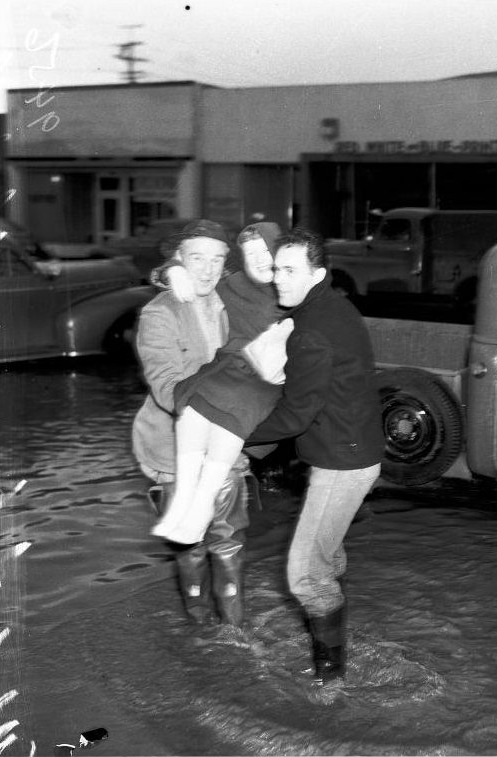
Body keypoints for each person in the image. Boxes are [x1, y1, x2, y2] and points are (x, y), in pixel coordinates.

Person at [247, 227, 384, 686]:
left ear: (317, 274)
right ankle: (338, 648)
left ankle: (331, 681)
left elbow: (295, 415)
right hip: (353, 449)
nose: (278, 279)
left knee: (305, 574)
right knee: (327, 559)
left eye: (290, 270)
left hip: (343, 463)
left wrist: (236, 436)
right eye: (276, 269)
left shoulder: (311, 330)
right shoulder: (333, 307)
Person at [131, 218, 252, 627]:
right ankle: (200, 629)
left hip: (225, 446)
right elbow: (167, 388)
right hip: (173, 451)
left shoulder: (227, 299)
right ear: (179, 259)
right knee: (190, 548)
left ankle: (233, 635)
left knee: (229, 543)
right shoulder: (158, 314)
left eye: (217, 259)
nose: (208, 269)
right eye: (197, 258)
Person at [150, 221, 293, 546]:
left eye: (266, 251)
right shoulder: (230, 286)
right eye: (251, 253)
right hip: (222, 387)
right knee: (199, 405)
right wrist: (172, 271)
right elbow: (199, 271)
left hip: (260, 398)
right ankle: (186, 506)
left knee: (228, 537)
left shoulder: (293, 290)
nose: (260, 259)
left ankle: (200, 508)